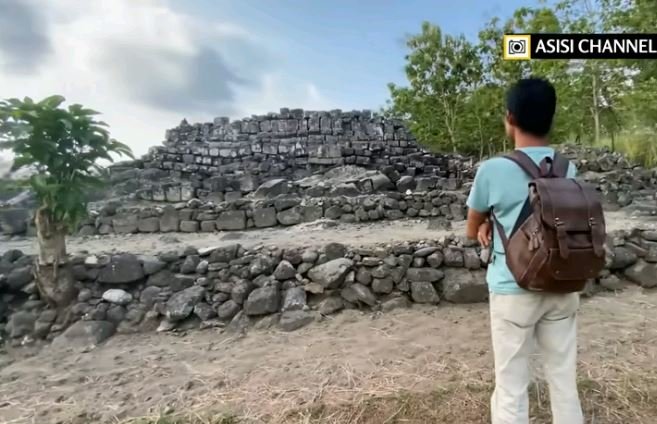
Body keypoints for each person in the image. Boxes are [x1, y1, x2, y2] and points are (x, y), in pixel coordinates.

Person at [465, 77, 583, 424]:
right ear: (551, 119)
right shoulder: (567, 168)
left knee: (512, 386)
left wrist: (486, 224)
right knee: (563, 379)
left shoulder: (493, 169)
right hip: (563, 284)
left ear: (510, 117)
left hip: (513, 288)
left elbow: (472, 227)